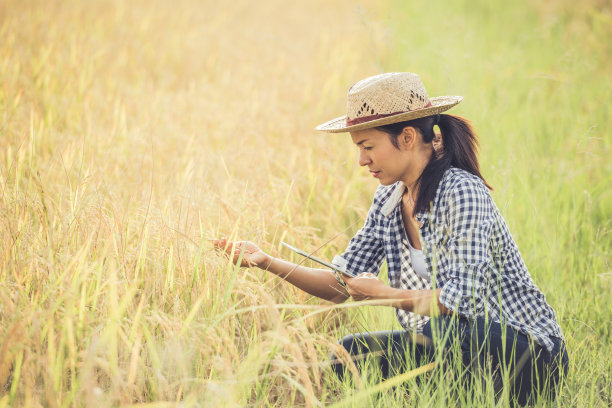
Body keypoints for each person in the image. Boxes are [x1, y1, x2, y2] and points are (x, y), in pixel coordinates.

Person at [214, 72, 568, 405]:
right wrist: (265, 262)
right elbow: (341, 284)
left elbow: (464, 301)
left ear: (408, 137)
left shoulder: (462, 192)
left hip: (529, 355)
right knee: (349, 354)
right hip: (448, 346)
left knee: (447, 330)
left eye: (367, 146)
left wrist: (383, 295)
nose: (361, 160)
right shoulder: (388, 200)